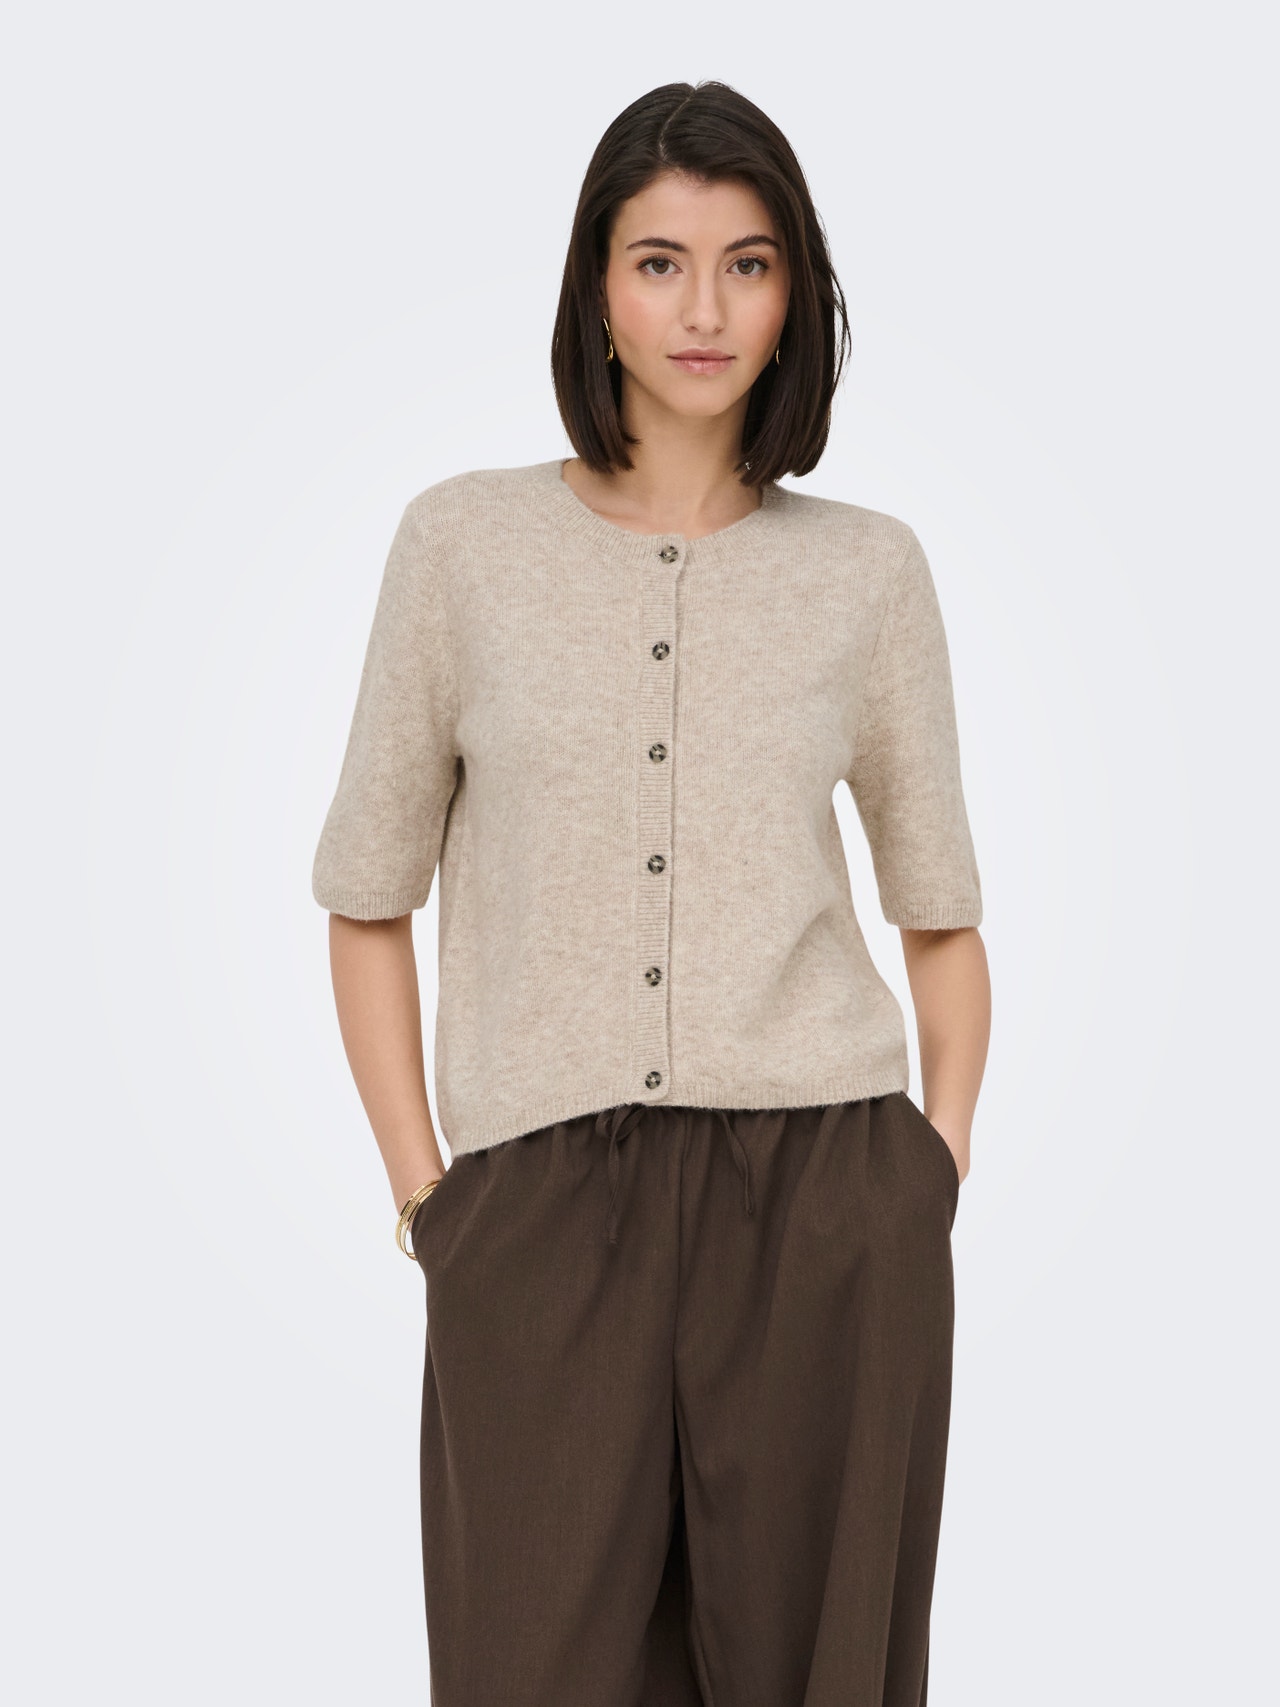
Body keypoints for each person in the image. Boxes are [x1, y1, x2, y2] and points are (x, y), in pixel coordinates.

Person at [311, 78, 991, 1707]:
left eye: (748, 265)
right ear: (596, 287)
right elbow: (365, 899)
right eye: (661, 262)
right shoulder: (460, 550)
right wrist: (430, 1201)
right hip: (538, 1213)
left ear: (794, 293)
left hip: (825, 1203)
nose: (705, 310)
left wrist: (928, 1173)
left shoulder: (869, 572)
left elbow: (943, 918)